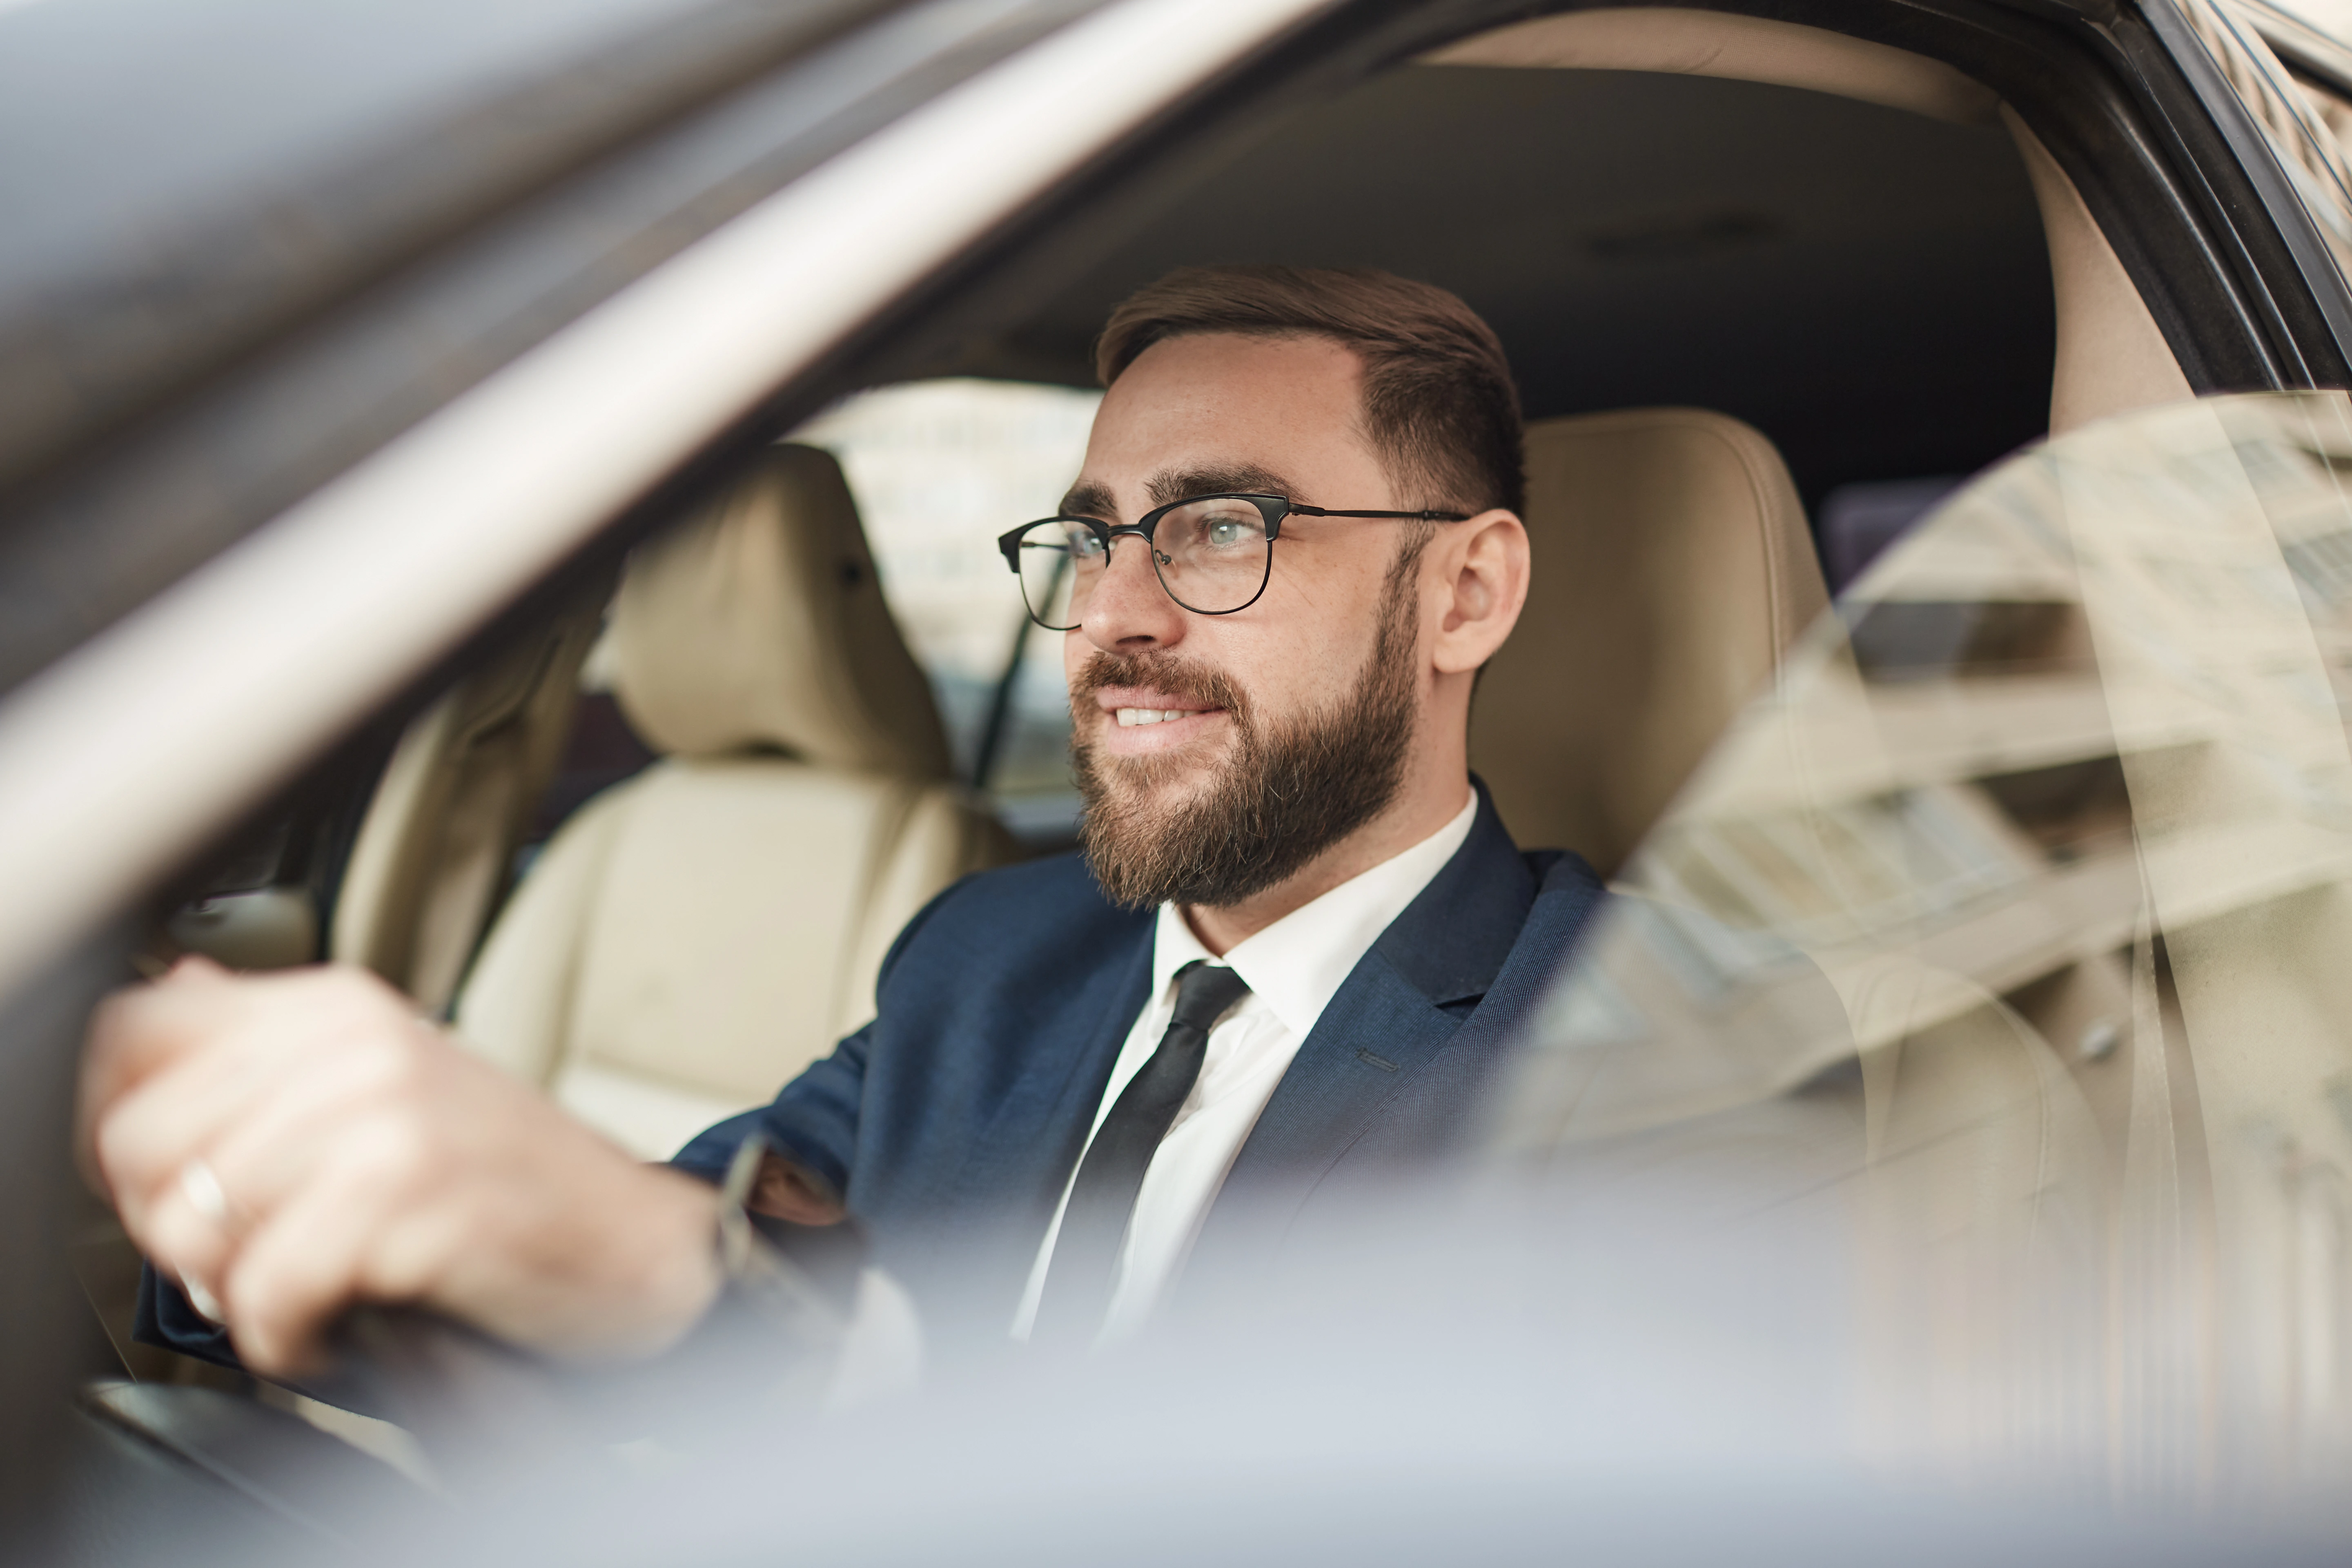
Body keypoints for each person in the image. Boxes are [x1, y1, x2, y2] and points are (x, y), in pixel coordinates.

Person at [82, 265, 1602, 1382]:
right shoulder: (989, 955)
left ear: (1463, 593)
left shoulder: (1642, 1039)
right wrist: (267, 1195)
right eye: (1089, 538)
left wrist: (708, 1289)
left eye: (1219, 529)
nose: (1112, 620)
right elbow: (636, 1241)